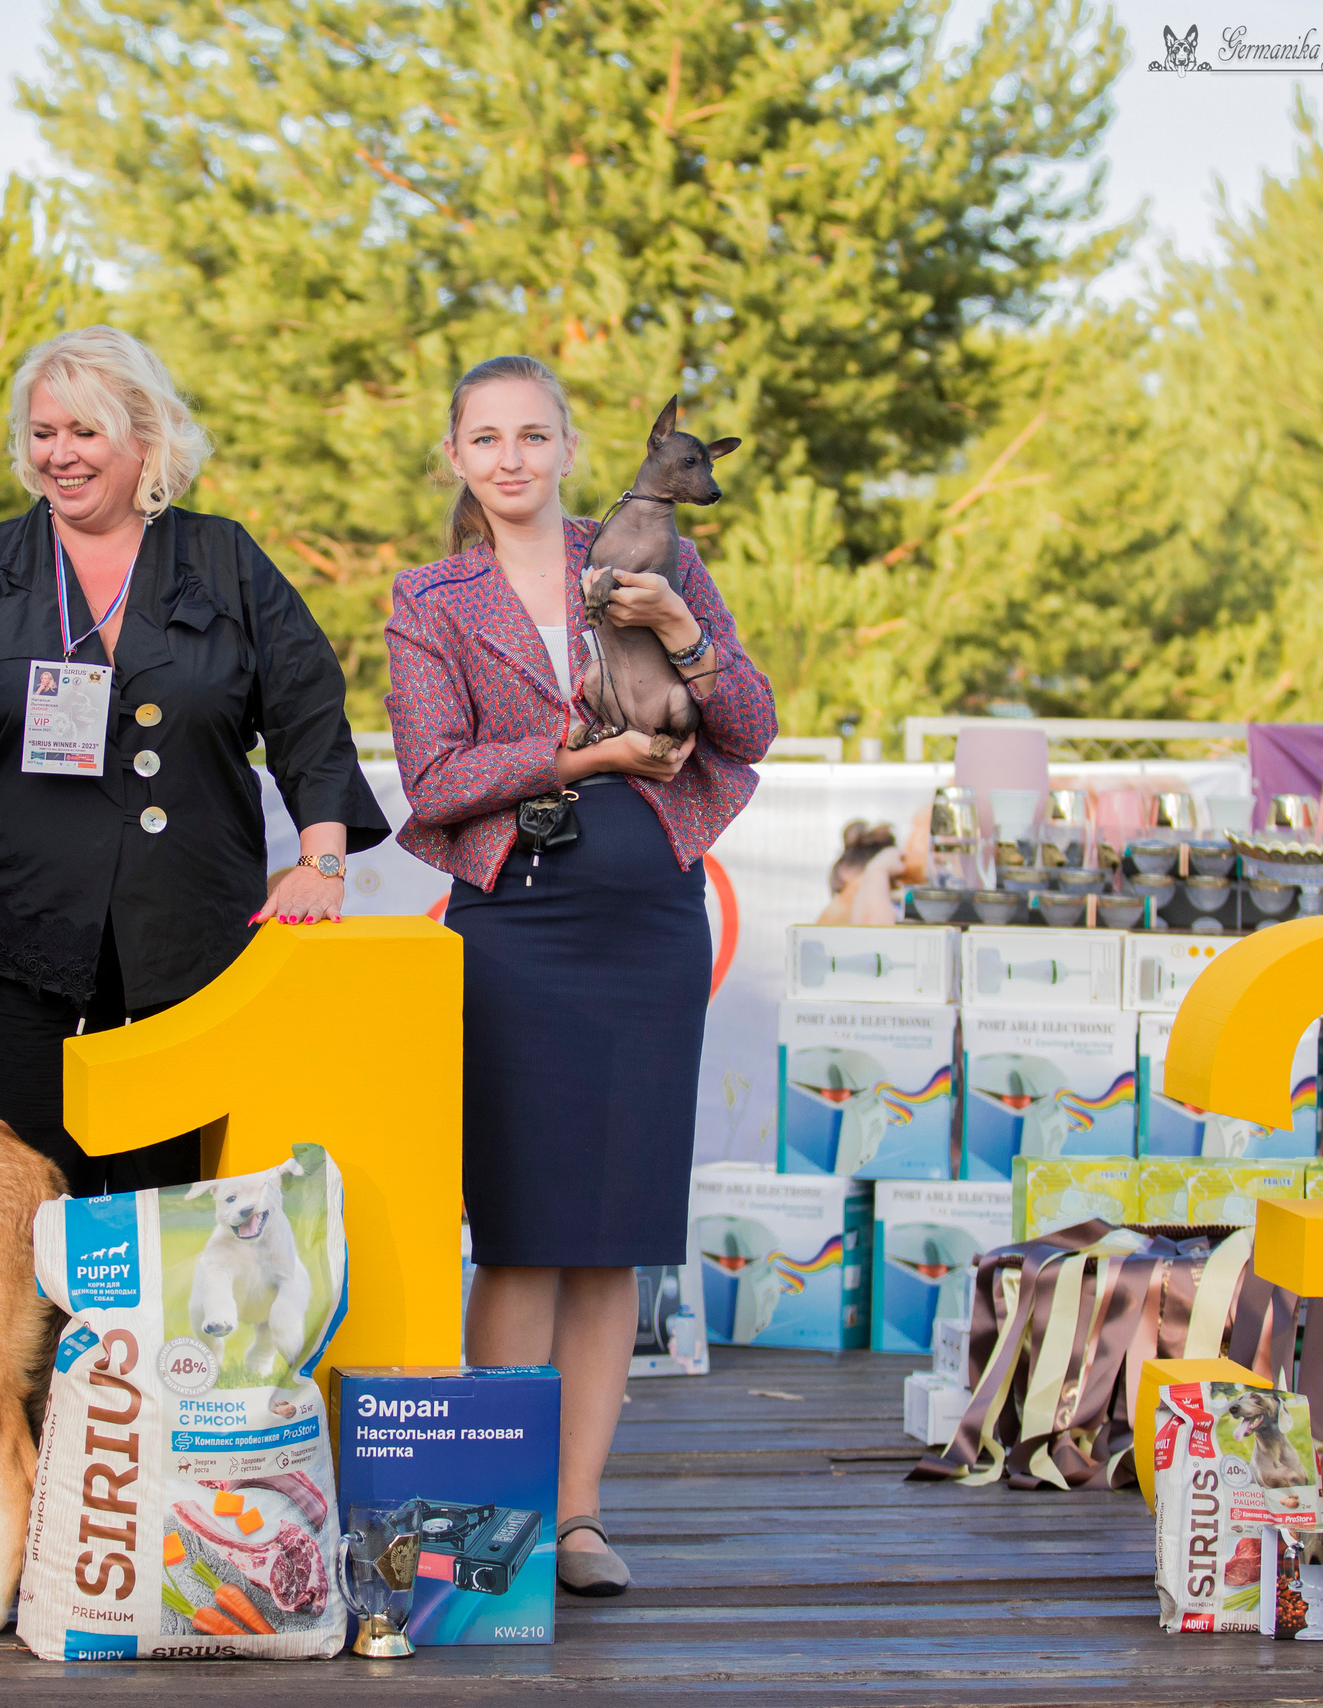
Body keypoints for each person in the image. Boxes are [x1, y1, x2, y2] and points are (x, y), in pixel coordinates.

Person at [0, 325, 389, 1194]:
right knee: (19, 1200)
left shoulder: (225, 560)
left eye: (85, 431)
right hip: (8, 939)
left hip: (189, 947)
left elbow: (309, 715)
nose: (61, 455)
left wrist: (322, 864)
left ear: (144, 437)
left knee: (170, 1206)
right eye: (43, 432)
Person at [385, 356, 776, 1596]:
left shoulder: (656, 556)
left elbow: (750, 728)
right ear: (456, 456)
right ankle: (495, 1513)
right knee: (519, 1233)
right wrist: (579, 753)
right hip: (513, 925)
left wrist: (686, 635)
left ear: (566, 446)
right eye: (486, 438)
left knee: (611, 1238)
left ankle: (577, 1516)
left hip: (649, 924)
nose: (510, 458)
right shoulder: (428, 597)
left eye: (532, 434)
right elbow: (433, 778)